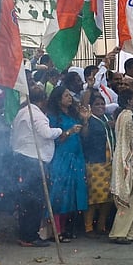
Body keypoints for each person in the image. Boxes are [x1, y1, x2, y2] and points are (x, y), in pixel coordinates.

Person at [10, 86, 63, 247]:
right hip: (33, 161)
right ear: (43, 100)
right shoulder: (36, 114)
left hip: (23, 158)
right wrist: (60, 130)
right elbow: (46, 133)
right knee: (34, 200)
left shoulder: (21, 112)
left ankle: (26, 234)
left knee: (27, 199)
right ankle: (29, 236)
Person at [46, 86, 88, 241]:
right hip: (61, 157)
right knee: (59, 193)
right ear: (58, 99)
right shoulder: (52, 117)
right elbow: (55, 139)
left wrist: (84, 120)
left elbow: (84, 135)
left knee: (71, 194)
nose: (69, 98)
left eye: (70, 95)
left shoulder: (73, 114)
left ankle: (65, 229)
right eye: (66, 96)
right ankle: (56, 231)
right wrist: (69, 131)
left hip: (76, 156)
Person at [109, 89, 133, 244]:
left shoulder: (120, 116)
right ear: (130, 100)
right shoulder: (130, 117)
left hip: (122, 156)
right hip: (130, 159)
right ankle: (119, 232)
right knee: (132, 197)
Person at [80, 93, 115, 238]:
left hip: (109, 162)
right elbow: (84, 136)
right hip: (95, 163)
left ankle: (101, 225)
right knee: (93, 198)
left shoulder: (107, 118)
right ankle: (88, 227)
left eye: (102, 104)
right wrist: (85, 122)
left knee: (108, 197)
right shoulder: (90, 120)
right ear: (91, 107)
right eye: (97, 105)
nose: (100, 107)